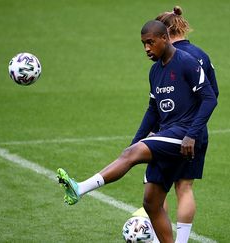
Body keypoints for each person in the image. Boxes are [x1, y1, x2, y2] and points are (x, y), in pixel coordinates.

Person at [57, 20, 217, 243]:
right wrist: (135, 142)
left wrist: (192, 134)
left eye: (150, 43)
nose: (147, 49)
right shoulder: (155, 72)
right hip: (169, 134)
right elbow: (153, 110)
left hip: (184, 135)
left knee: (137, 162)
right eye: (143, 44)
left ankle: (80, 188)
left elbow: (210, 98)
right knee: (151, 203)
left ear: (165, 38)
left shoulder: (186, 62)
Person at [149, 6, 219, 243]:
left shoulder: (167, 58)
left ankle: (162, 239)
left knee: (157, 186)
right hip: (197, 131)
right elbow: (212, 94)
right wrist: (194, 128)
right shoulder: (202, 54)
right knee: (185, 187)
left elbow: (159, 100)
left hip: (169, 131)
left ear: (164, 34)